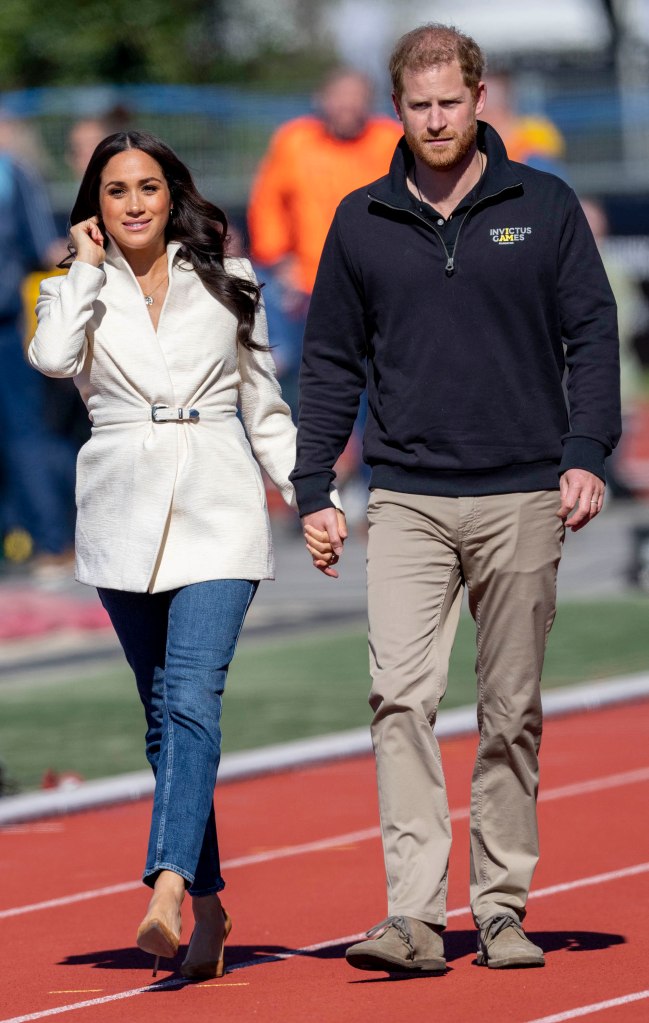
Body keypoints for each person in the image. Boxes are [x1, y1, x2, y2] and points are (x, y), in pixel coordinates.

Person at [292, 23, 620, 974]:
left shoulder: (544, 205)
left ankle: (503, 906)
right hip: (403, 498)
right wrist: (315, 483)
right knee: (398, 697)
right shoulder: (359, 219)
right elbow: (327, 362)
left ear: (479, 100)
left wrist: (585, 450)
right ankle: (413, 916)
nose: (435, 119)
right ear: (397, 109)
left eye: (450, 102)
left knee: (509, 709)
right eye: (418, 104)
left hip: (524, 492)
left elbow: (591, 336)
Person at [28, 130, 342, 979]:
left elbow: (266, 406)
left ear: (174, 197)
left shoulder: (231, 282)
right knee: (164, 723)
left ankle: (165, 885)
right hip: (121, 515)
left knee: (193, 696)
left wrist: (309, 497)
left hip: (217, 502)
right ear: (94, 205)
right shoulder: (70, 290)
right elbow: (52, 361)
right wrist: (84, 272)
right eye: (116, 190)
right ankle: (209, 908)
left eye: (149, 187)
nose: (134, 203)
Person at [247, 67, 402, 416]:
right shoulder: (294, 141)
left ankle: (365, 463)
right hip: (305, 285)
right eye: (340, 96)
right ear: (322, 99)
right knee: (307, 379)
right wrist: (277, 257)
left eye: (356, 97)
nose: (347, 105)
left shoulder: (390, 141)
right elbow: (268, 202)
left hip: (375, 286)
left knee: (375, 383)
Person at [0, 121, 73, 573]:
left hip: (7, 323)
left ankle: (44, 541)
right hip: (7, 321)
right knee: (27, 435)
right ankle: (49, 543)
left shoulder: (11, 171)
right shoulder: (12, 171)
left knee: (24, 436)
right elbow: (41, 245)